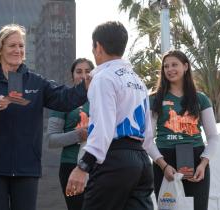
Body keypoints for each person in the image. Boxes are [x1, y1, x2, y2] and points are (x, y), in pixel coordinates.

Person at [0, 24, 89, 210]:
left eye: (21, 46)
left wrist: (87, 84)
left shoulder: (36, 82)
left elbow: (64, 99)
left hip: (26, 167)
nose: (18, 50)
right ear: (0, 49)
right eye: (12, 45)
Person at [66, 21, 158, 210]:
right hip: (141, 161)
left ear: (98, 46)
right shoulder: (137, 80)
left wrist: (83, 166)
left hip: (114, 160)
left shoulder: (103, 77)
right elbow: (148, 133)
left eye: (93, 47)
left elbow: (102, 127)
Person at [149, 50, 219, 210]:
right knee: (167, 207)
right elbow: (147, 139)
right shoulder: (154, 99)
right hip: (164, 160)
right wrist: (163, 165)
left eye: (174, 65)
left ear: (185, 66)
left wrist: (203, 163)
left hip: (196, 159)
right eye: (166, 66)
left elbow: (213, 137)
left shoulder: (201, 98)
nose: (169, 69)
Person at [47, 58, 94, 210]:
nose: (84, 75)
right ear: (72, 75)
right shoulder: (64, 100)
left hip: (98, 167)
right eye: (79, 71)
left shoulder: (103, 99)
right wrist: (78, 135)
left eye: (88, 71)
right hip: (71, 166)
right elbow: (51, 140)